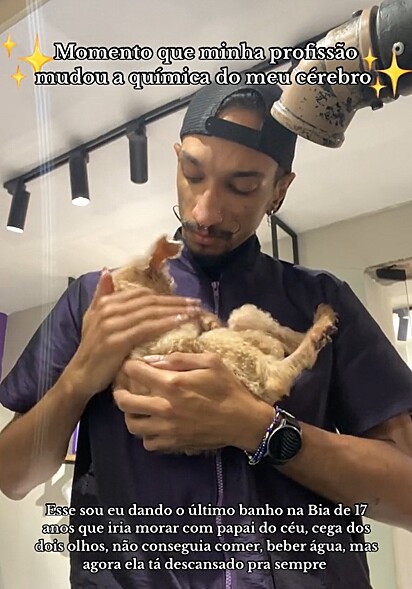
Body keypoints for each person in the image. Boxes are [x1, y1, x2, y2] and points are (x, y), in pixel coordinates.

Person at [0, 80, 412, 589]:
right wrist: (79, 378)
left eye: (242, 186)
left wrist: (259, 430)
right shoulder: (96, 298)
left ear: (280, 189)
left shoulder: (323, 303)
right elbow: (13, 477)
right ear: (175, 160)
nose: (204, 212)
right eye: (192, 175)